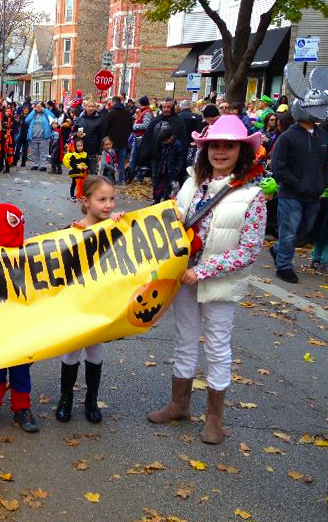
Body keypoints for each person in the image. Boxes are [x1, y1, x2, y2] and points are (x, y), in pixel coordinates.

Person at [148, 115, 265, 445]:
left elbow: (249, 250)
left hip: (217, 283)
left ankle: (214, 417)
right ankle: (179, 404)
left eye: (229, 146)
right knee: (184, 340)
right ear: (205, 149)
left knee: (216, 347)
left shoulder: (252, 197)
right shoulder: (190, 184)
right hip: (184, 278)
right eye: (215, 145)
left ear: (241, 151)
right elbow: (171, 219)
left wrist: (204, 271)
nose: (220, 151)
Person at [56, 176, 123, 425]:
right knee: (71, 351)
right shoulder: (71, 231)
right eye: (102, 199)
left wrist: (121, 224)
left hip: (100, 303)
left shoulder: (116, 227)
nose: (108, 205)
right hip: (76, 304)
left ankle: (91, 400)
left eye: (112, 199)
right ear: (86, 201)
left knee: (95, 350)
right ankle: (65, 399)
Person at [0, 203, 39, 433]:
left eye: (20, 221)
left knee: (21, 369)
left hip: (21, 326)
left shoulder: (31, 253)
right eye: (13, 222)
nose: (19, 226)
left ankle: (22, 407)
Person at [270, 106, 328, 283]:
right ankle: (284, 266)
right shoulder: (288, 136)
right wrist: (296, 184)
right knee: (289, 232)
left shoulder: (323, 136)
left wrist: (321, 183)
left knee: (305, 231)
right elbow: (278, 166)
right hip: (290, 195)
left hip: (314, 194)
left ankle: (278, 249)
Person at [140, 98, 187, 198]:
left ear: (173, 108)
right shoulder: (156, 120)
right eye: (164, 107)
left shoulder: (178, 121)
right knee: (155, 178)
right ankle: (155, 199)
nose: (166, 109)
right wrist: (144, 153)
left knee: (168, 180)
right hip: (156, 155)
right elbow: (148, 137)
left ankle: (165, 200)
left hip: (171, 158)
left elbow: (182, 140)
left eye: (169, 107)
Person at [104, 96, 133, 182]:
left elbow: (106, 127)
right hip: (123, 141)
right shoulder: (128, 113)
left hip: (111, 142)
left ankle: (110, 179)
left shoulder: (111, 113)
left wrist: (105, 139)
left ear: (113, 102)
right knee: (121, 162)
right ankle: (120, 180)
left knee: (111, 162)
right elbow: (130, 127)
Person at [153, 127, 185, 204]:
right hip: (163, 169)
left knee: (169, 188)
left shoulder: (177, 144)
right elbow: (162, 156)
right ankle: (156, 200)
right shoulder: (164, 145)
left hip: (172, 169)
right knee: (159, 186)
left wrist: (177, 169)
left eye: (166, 140)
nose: (165, 142)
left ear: (171, 137)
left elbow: (181, 158)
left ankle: (166, 202)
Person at [74, 99, 105, 174]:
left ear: (95, 107)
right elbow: (73, 132)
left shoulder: (100, 120)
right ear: (85, 107)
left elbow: (102, 137)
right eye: (89, 106)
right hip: (81, 150)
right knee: (80, 174)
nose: (91, 108)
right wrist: (76, 134)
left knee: (92, 174)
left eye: (93, 106)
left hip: (93, 152)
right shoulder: (80, 119)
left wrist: (100, 152)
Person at [25, 102, 56, 172]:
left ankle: (43, 165)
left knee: (44, 152)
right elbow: (27, 120)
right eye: (37, 107)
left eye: (40, 107)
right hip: (33, 137)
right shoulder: (33, 114)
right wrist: (33, 111)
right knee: (34, 152)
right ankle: (35, 164)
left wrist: (45, 110)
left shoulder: (45, 114)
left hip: (44, 137)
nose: (38, 108)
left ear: (42, 107)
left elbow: (53, 117)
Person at [128, 96, 153, 181]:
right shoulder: (143, 111)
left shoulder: (147, 112)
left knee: (139, 157)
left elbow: (146, 125)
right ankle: (131, 175)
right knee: (134, 156)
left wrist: (134, 126)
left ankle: (138, 176)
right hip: (138, 136)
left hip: (142, 137)